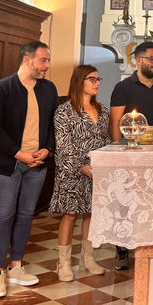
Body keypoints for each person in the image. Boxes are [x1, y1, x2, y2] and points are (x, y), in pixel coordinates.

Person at [0, 41, 57, 298]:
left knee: (25, 215)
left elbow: (51, 125)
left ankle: (16, 265)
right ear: (28, 59)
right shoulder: (2, 88)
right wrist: (19, 154)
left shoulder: (48, 89)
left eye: (48, 60)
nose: (47, 66)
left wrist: (47, 149)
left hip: (37, 163)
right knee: (3, 216)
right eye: (43, 60)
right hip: (8, 164)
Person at [109, 41, 153, 269]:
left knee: (152, 199)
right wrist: (117, 150)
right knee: (125, 202)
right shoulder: (123, 87)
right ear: (138, 60)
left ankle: (151, 243)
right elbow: (115, 121)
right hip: (128, 151)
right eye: (151, 59)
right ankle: (122, 250)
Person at [50, 65, 110, 282]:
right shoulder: (64, 111)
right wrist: (80, 166)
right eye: (91, 79)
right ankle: (64, 263)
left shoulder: (102, 110)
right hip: (72, 170)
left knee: (91, 214)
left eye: (98, 79)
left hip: (96, 170)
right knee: (70, 215)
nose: (97, 83)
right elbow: (64, 146)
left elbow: (105, 141)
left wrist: (103, 163)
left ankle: (88, 258)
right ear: (79, 82)